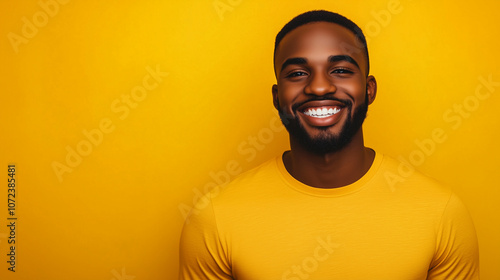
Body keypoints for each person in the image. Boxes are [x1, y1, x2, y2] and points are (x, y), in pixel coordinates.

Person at [178, 10, 479, 280]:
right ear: (276, 96)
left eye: (341, 70)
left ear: (369, 89)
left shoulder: (441, 212)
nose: (319, 86)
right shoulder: (215, 218)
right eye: (297, 74)